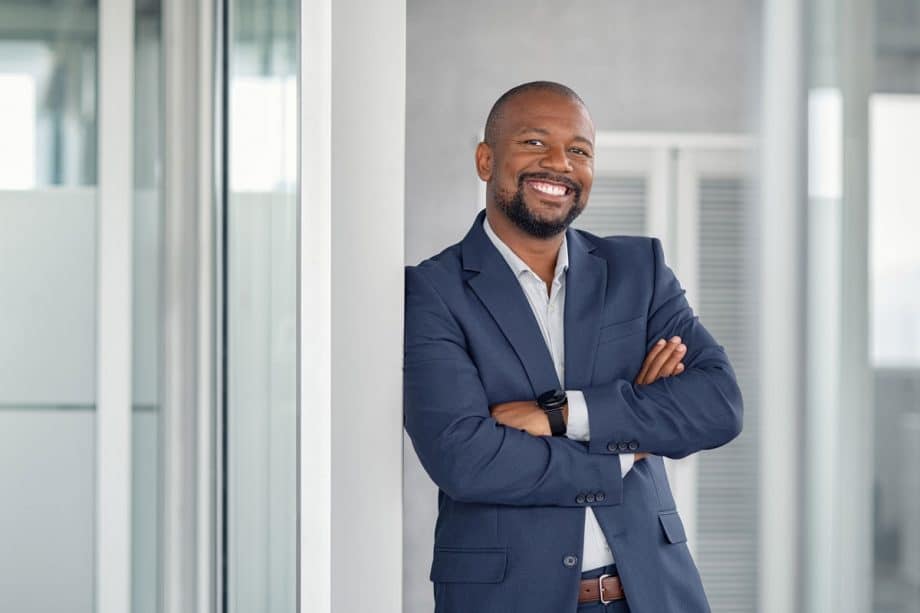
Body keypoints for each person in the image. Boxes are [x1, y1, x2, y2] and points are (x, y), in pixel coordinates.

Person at [403, 81, 743, 613]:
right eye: (535, 143)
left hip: (653, 593)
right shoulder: (433, 292)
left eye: (579, 150)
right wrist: (629, 441)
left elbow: (719, 405)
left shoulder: (639, 272)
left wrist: (564, 416)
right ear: (485, 160)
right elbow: (465, 459)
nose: (559, 163)